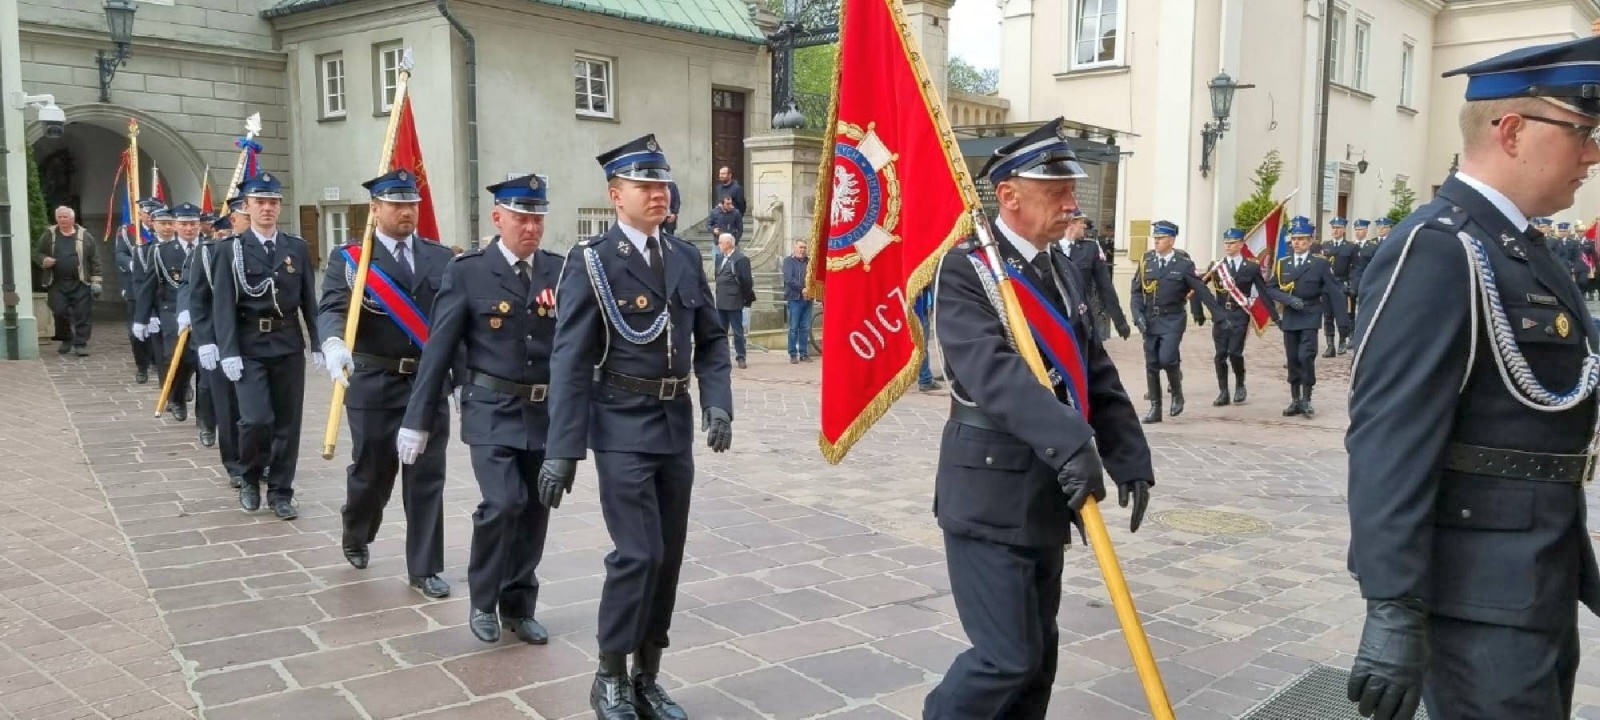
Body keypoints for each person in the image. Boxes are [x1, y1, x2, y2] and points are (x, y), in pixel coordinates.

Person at [1346, 37, 1600, 720]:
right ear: (1511, 130)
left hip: (1534, 574)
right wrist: (1393, 608)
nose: (1593, 152)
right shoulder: (1440, 248)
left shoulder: (1524, 248)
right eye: (1581, 130)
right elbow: (1388, 438)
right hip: (1476, 595)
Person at [924, 116, 1153, 720]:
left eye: (1071, 192)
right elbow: (991, 373)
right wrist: (1074, 441)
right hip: (990, 493)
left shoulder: (1062, 266)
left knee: (1039, 658)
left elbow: (1091, 367)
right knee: (1005, 658)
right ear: (1009, 196)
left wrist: (1129, 452)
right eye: (1057, 193)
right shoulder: (968, 270)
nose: (1072, 204)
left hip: (1049, 494)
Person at [536, 134, 731, 720]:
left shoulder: (684, 257)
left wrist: (717, 403)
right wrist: (562, 449)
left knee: (667, 555)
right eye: (645, 185)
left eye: (662, 184)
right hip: (620, 422)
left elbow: (713, 340)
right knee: (638, 553)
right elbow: (569, 358)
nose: (658, 194)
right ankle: (610, 674)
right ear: (615, 195)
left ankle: (648, 674)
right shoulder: (591, 261)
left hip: (673, 424)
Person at [319, 169, 453, 600]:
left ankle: (425, 567)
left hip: (426, 382)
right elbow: (332, 308)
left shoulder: (440, 257)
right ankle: (357, 530)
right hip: (374, 381)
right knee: (373, 471)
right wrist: (334, 341)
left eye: (411, 204)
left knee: (427, 475)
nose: (406, 212)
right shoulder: (352, 259)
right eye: (396, 204)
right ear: (375, 209)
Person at [212, 172, 320, 520]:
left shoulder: (296, 248)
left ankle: (281, 492)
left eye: (273, 202)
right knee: (256, 419)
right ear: (247, 207)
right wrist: (227, 350)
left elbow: (308, 299)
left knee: (288, 422)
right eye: (260, 202)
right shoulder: (231, 250)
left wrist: (317, 341)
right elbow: (223, 305)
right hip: (249, 345)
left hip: (287, 343)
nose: (267, 208)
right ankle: (249, 477)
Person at [1128, 220, 1229, 423]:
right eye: (1155, 238)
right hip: (1150, 318)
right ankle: (1155, 408)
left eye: (1161, 238)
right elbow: (1137, 291)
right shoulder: (1146, 260)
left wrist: (1219, 316)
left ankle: (1177, 393)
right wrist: (1137, 314)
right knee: (1152, 363)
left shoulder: (1183, 265)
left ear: (1172, 240)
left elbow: (1201, 290)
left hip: (1173, 318)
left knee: (1167, 358)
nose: (1156, 241)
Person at [1264, 216, 1349, 418]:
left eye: (1302, 239)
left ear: (1310, 241)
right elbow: (1271, 289)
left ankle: (1307, 398)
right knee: (1293, 358)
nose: (1297, 243)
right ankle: (1295, 399)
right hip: (1291, 316)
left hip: (1310, 314)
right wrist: (1288, 300)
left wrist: (1343, 324)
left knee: (1306, 356)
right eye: (1294, 239)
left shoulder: (1319, 264)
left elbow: (1334, 292)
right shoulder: (1282, 264)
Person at [138, 202, 209, 425]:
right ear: (176, 226)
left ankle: (205, 416)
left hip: (203, 313)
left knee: (204, 364)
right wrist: (142, 317)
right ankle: (177, 398)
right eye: (184, 224)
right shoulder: (161, 252)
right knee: (178, 360)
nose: (189, 229)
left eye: (193, 224)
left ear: (200, 226)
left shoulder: (210, 247)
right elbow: (148, 285)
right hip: (171, 312)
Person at [184, 211, 243, 469]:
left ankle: (261, 458)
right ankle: (233, 460)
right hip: (219, 336)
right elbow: (197, 298)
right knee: (224, 400)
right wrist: (204, 338)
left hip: (253, 337)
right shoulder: (208, 253)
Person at [1200, 228, 1275, 406]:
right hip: (1220, 314)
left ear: (1241, 244)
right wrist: (1201, 311)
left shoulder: (1251, 267)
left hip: (1239, 314)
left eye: (1232, 242)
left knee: (1234, 352)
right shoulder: (1217, 266)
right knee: (1220, 354)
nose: (1228, 246)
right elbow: (1200, 287)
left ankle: (1240, 384)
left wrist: (1275, 316)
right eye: (1226, 242)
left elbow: (1263, 292)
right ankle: (1223, 391)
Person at [34, 206, 102, 356]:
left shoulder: (85, 236)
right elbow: (38, 253)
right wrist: (44, 260)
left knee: (83, 313)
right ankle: (67, 338)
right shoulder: (49, 235)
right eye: (60, 217)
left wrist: (96, 281)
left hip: (81, 282)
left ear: (72, 219)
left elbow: (94, 259)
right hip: (57, 282)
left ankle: (80, 343)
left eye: (65, 217)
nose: (62, 220)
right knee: (59, 311)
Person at [1060, 211, 1129, 342]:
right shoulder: (1049, 247)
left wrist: (1120, 322)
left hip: (1082, 317)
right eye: (1081, 223)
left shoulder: (1090, 249)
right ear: (1071, 224)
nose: (1085, 226)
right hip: (1056, 316)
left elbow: (1105, 287)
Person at [115, 201, 161, 382]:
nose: (150, 218)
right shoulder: (128, 232)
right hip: (137, 287)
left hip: (160, 288)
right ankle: (141, 366)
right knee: (137, 329)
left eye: (153, 214)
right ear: (140, 214)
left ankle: (158, 361)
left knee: (160, 328)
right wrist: (131, 263)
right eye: (146, 214)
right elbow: (119, 254)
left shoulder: (165, 231)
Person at [714, 233, 754, 370]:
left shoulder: (741, 259)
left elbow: (747, 281)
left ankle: (741, 356)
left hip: (734, 300)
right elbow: (716, 275)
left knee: (737, 331)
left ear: (729, 244)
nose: (719, 245)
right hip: (721, 300)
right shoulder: (719, 258)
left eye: (721, 242)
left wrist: (744, 298)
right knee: (721, 331)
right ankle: (721, 357)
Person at [1321, 216, 1359, 356]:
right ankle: (1330, 346)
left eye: (1338, 228)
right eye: (1333, 228)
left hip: (1341, 284)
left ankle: (1342, 340)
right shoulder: (1325, 246)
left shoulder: (1351, 247)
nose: (1335, 230)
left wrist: (1353, 285)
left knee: (1342, 316)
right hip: (1326, 285)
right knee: (1328, 316)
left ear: (1344, 230)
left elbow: (1355, 268)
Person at [781, 240, 813, 363]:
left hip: (808, 298)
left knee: (805, 327)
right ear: (795, 248)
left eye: (804, 247)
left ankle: (804, 353)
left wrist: (811, 290)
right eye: (800, 247)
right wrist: (802, 289)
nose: (802, 250)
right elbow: (789, 278)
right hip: (794, 298)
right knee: (793, 327)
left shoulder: (809, 261)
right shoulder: (788, 261)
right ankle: (793, 353)